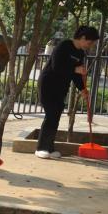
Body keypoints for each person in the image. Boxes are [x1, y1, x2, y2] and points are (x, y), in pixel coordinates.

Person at [35, 25, 99, 159]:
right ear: (83, 38)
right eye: (90, 42)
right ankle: (41, 148)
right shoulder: (64, 46)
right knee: (51, 115)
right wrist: (75, 69)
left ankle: (49, 148)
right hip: (48, 84)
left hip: (61, 87)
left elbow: (76, 75)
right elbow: (56, 66)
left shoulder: (80, 53)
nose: (90, 46)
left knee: (55, 117)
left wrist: (82, 89)